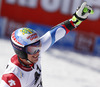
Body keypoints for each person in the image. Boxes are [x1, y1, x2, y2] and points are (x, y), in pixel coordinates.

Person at [0, 2, 94, 87]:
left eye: (39, 46)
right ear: (20, 51)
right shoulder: (12, 78)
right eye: (33, 49)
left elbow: (54, 34)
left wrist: (76, 20)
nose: (37, 52)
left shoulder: (32, 54)